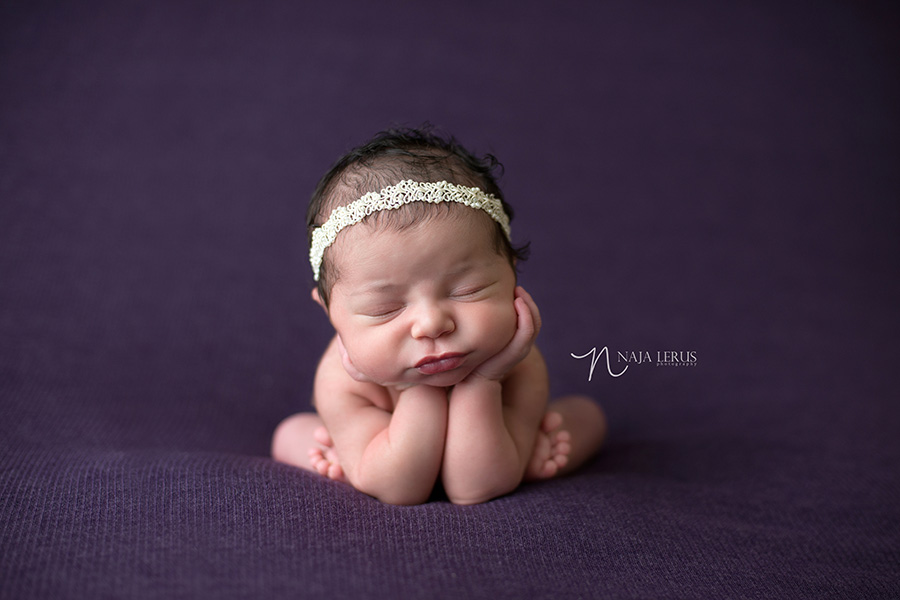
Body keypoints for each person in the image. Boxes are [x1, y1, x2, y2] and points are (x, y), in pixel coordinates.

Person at [272, 127, 606, 505]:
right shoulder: (344, 380)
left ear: (512, 273)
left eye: (467, 290)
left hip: (489, 456)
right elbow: (401, 489)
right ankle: (351, 456)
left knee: (588, 416)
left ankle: (523, 444)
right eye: (386, 309)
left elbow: (476, 487)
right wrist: (407, 389)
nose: (431, 323)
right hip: (387, 456)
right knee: (293, 433)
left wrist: (485, 380)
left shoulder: (518, 362)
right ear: (330, 313)